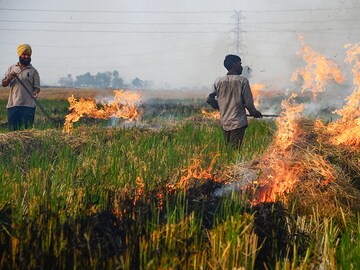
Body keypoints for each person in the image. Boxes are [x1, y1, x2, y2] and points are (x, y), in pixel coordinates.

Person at [206, 54, 263, 149]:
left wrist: (218, 106)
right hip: (238, 122)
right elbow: (248, 103)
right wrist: (255, 113)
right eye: (239, 64)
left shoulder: (218, 81)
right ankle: (233, 164)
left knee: (228, 149)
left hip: (224, 122)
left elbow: (209, 99)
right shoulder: (242, 81)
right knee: (234, 150)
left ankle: (227, 163)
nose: (241, 67)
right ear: (234, 65)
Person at [2, 44, 40, 130]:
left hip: (28, 106)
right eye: (24, 54)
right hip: (13, 105)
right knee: (13, 132)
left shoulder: (33, 71)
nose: (26, 57)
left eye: (28, 55)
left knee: (27, 133)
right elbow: (4, 84)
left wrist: (35, 92)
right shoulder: (12, 68)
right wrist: (9, 78)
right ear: (19, 55)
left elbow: (37, 87)